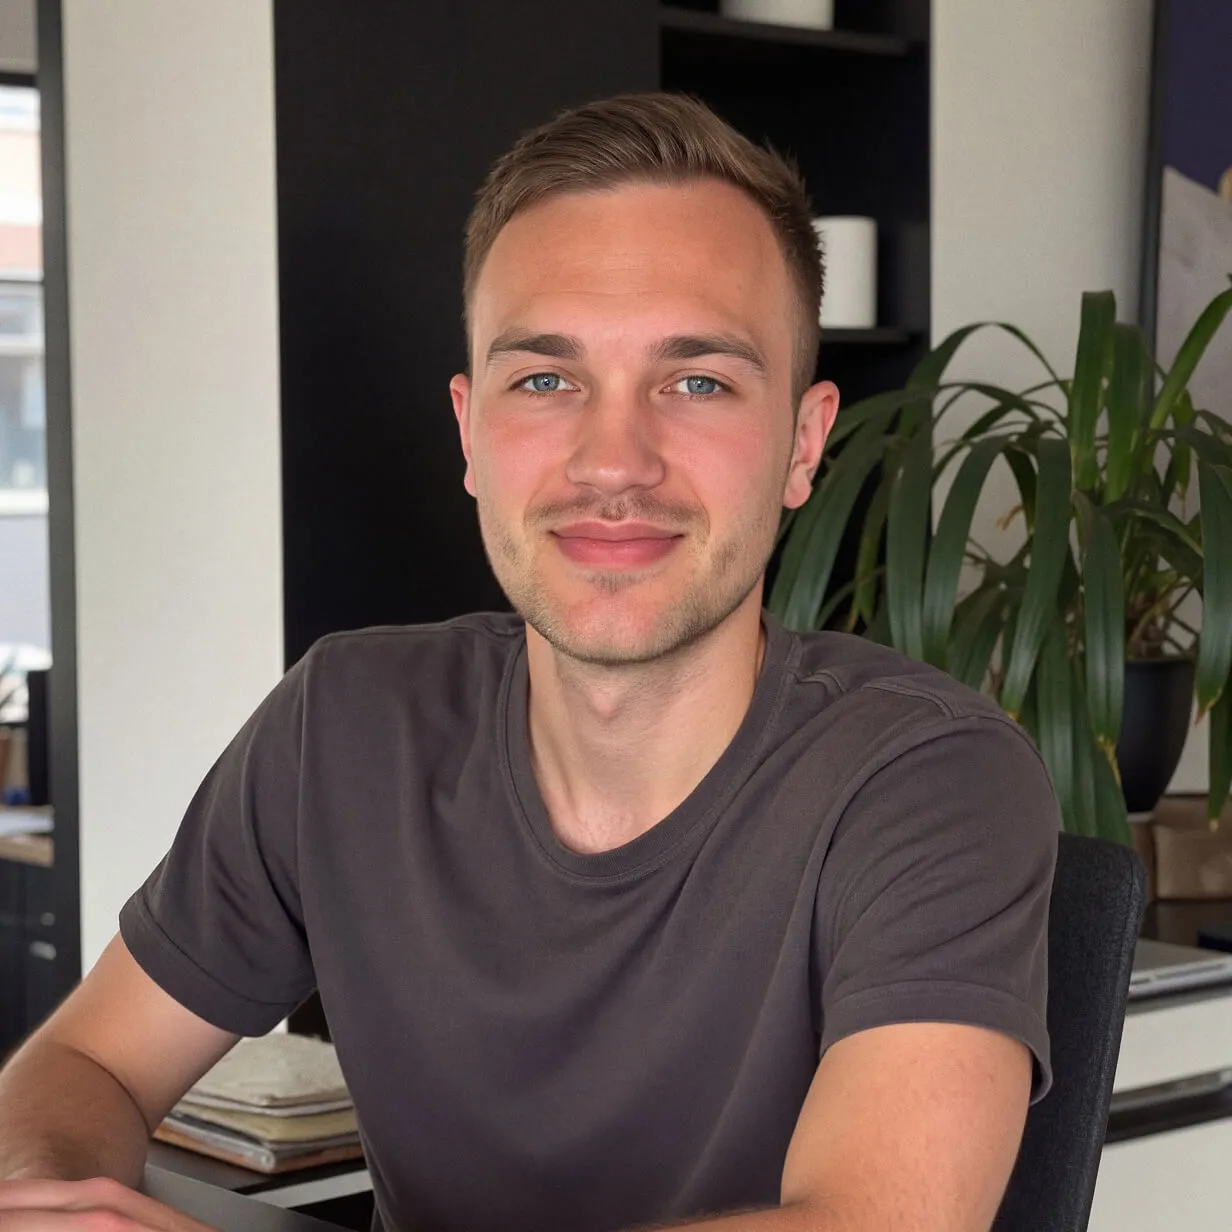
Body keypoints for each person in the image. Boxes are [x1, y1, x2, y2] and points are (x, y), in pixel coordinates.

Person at [0, 93, 1057, 1232]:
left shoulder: (928, 776)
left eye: (696, 380)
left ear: (801, 443)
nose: (613, 461)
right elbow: (82, 1066)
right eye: (545, 380)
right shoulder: (344, 723)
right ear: (468, 432)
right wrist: (55, 1197)